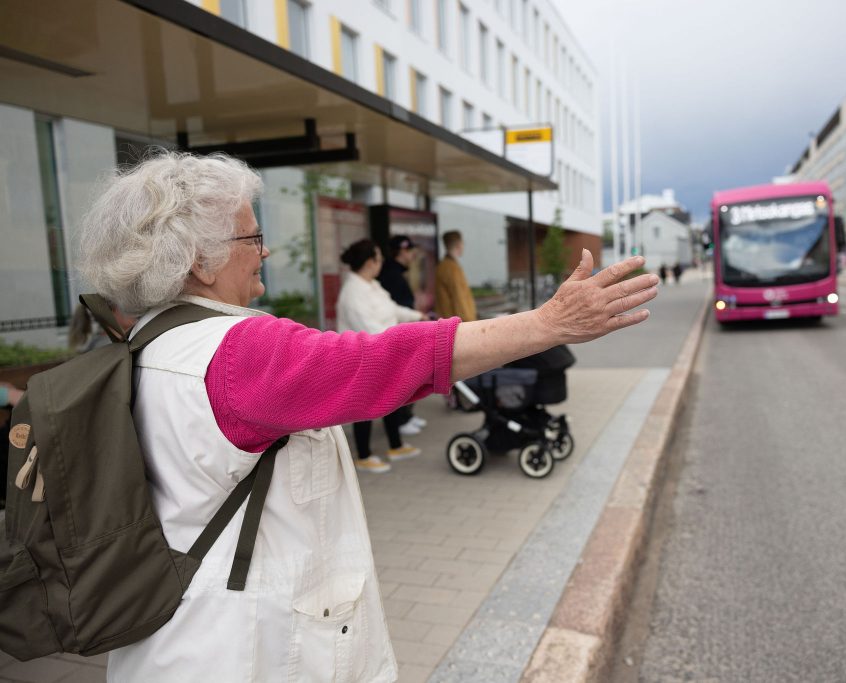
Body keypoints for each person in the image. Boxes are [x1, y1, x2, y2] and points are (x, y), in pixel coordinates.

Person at [75, 150, 657, 682]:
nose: (266, 251)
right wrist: (546, 325)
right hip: (252, 651)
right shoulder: (238, 354)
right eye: (253, 236)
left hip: (171, 638)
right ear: (201, 260)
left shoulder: (147, 343)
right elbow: (381, 361)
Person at [337, 239, 426, 473]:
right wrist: (407, 338)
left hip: (383, 352)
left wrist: (417, 317)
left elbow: (393, 309)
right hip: (361, 358)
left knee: (391, 399)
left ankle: (395, 446)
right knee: (364, 406)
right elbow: (371, 328)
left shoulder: (373, 285)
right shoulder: (353, 293)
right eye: (378, 257)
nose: (382, 262)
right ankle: (364, 456)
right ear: (369, 263)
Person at [377, 234, 427, 436]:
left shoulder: (397, 272)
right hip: (397, 334)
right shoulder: (391, 275)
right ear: (401, 251)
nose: (412, 255)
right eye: (409, 250)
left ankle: (406, 415)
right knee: (400, 379)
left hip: (403, 330)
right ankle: (400, 420)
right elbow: (393, 309)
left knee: (408, 377)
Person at [435, 230, 477, 321]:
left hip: (447, 322)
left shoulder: (443, 265)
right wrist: (469, 323)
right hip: (457, 325)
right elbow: (459, 298)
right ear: (458, 244)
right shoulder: (452, 268)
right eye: (463, 243)